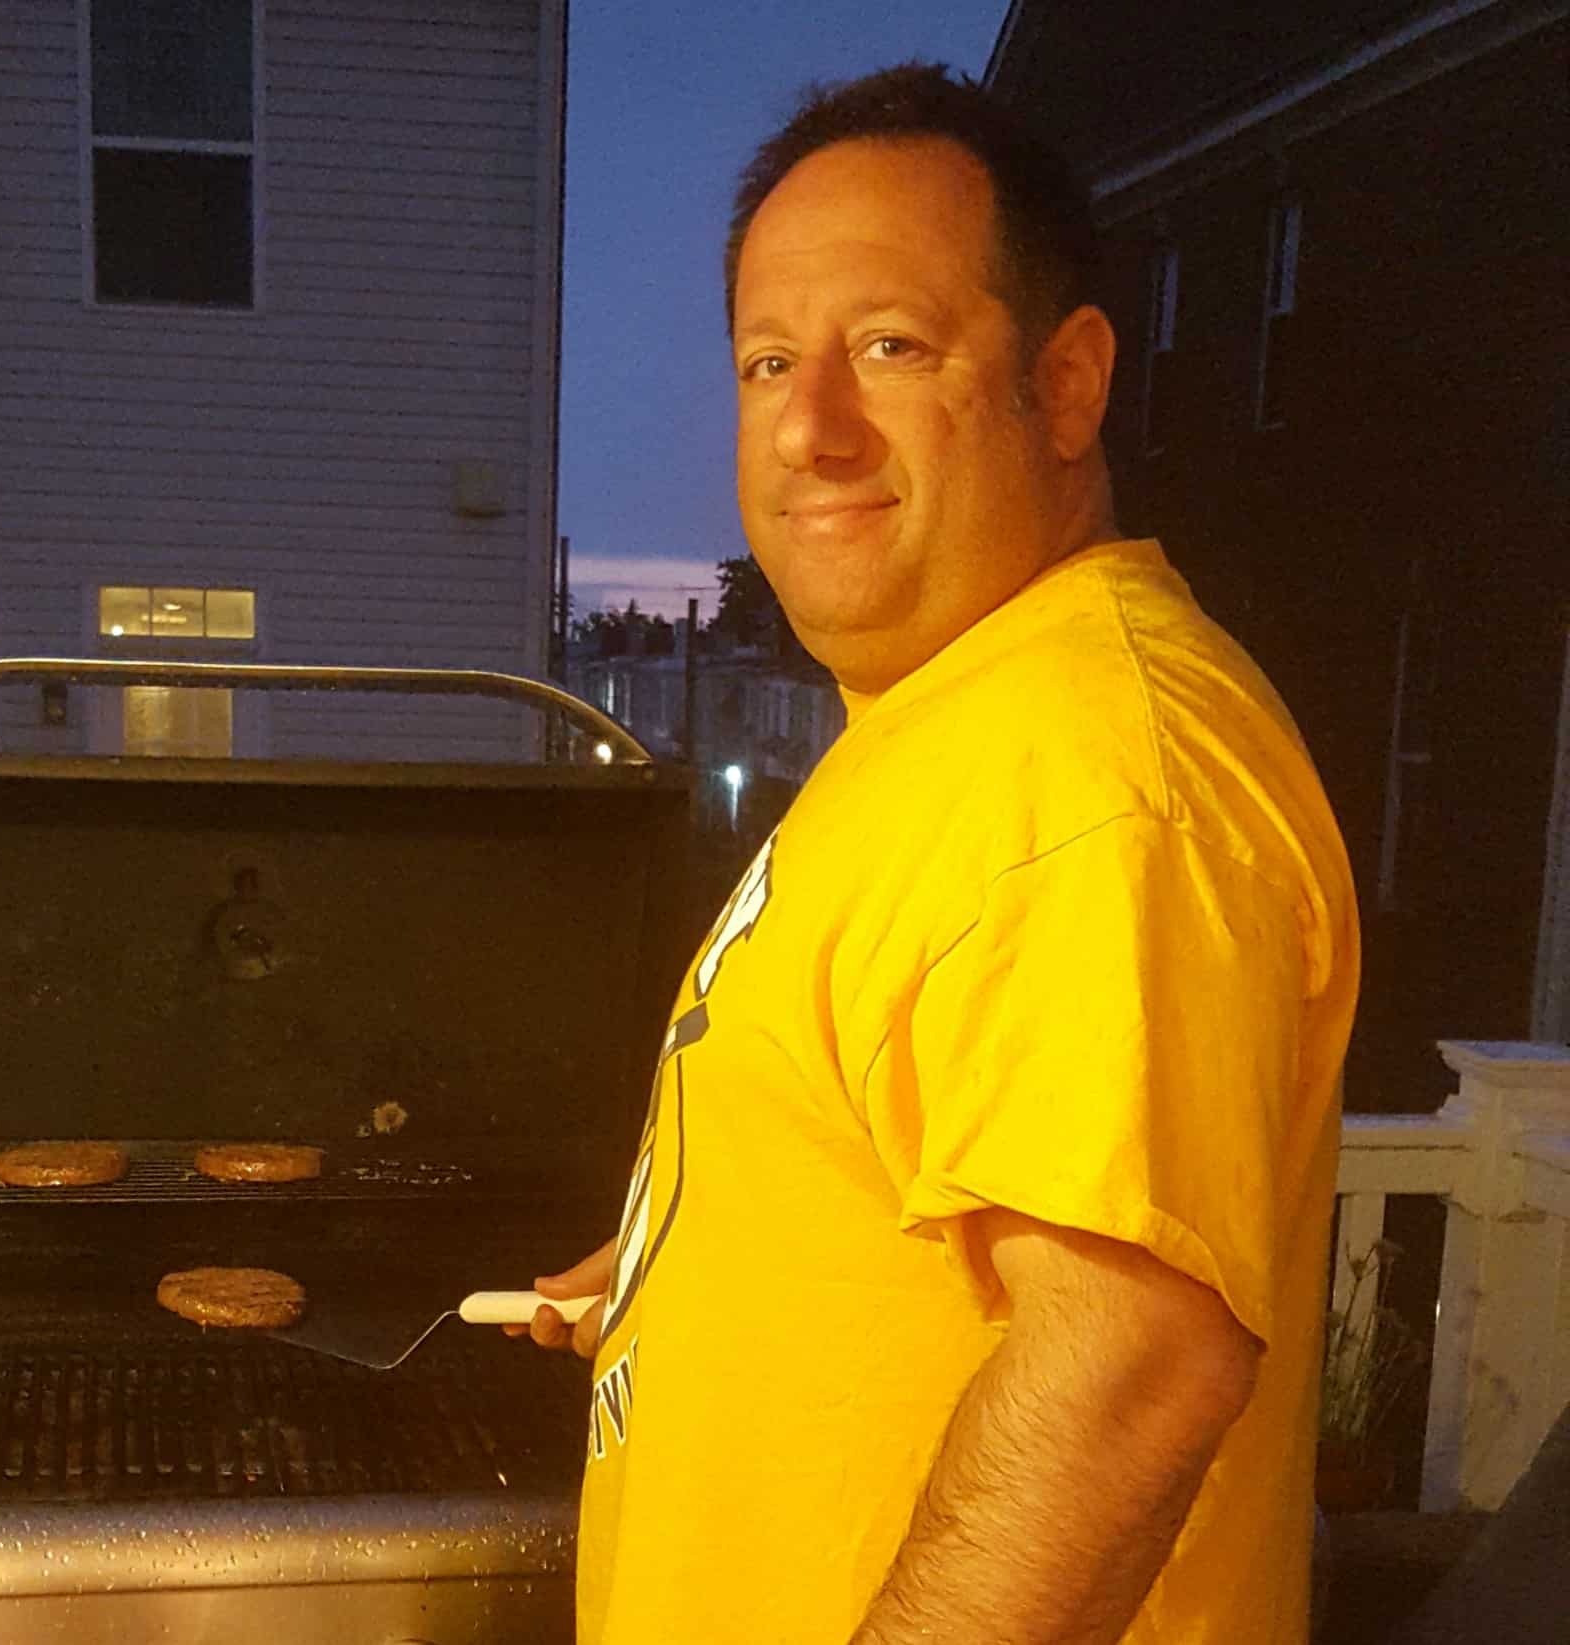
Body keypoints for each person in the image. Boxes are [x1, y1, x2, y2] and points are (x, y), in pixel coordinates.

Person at [513, 63, 1361, 1645]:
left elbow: (1128, 1368)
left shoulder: (1093, 763)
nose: (813, 428)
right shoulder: (942, 731)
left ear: (1069, 382)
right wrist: (701, 1270)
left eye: (891, 348)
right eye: (769, 363)